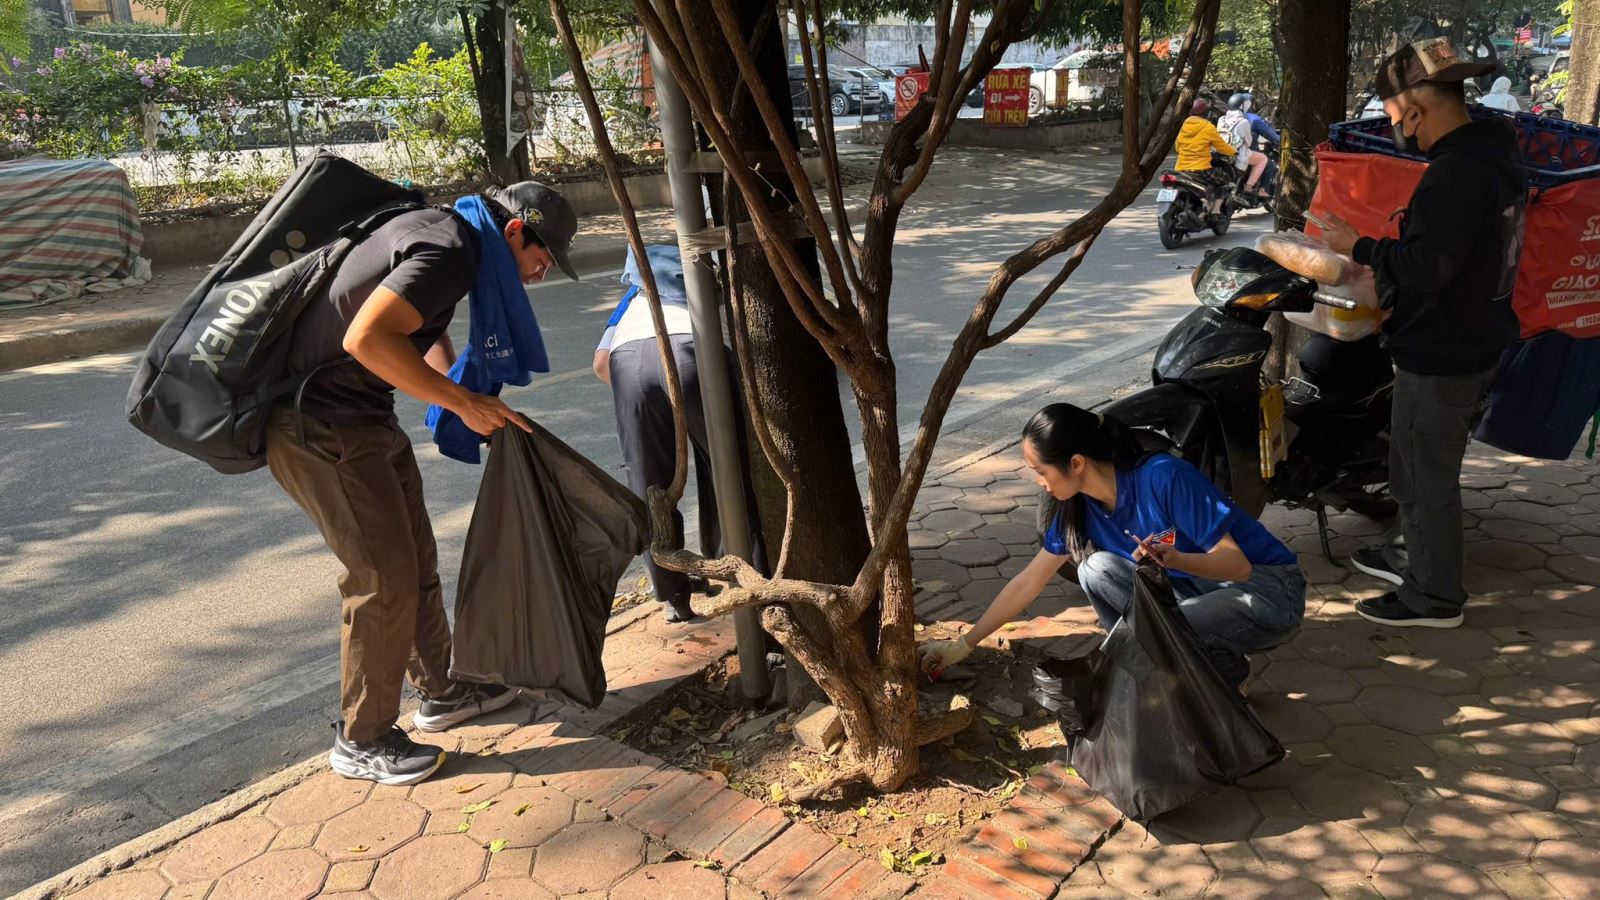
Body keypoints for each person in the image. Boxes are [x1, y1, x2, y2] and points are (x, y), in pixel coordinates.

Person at [272, 181, 580, 785]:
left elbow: (420, 327)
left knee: (413, 562)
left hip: (362, 415)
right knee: (382, 576)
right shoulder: (448, 247)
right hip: (319, 424)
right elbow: (365, 338)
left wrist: (454, 399)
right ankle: (361, 738)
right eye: (543, 256)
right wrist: (463, 403)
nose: (543, 272)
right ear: (514, 231)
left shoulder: (452, 239)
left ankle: (444, 691)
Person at [1317, 38, 1525, 629]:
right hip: (1473, 335)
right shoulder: (1496, 150)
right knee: (1415, 465)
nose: (1393, 127)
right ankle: (1411, 552)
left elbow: (1427, 268)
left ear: (1412, 110)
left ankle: (1433, 596)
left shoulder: (1456, 173)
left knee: (1424, 476)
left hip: (1444, 350)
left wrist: (1357, 246)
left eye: (1390, 114)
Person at [918, 404, 1306, 689]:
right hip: (1195, 590)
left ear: (1076, 463)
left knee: (1151, 633)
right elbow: (1026, 584)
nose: (1038, 482)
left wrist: (1176, 560)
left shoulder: (1165, 478)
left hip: (1268, 590)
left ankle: (1191, 681)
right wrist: (963, 644)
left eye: (1040, 471)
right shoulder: (1078, 510)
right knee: (1095, 570)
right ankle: (1216, 669)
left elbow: (1237, 566)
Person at [593, 244, 767, 623]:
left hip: (628, 363)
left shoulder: (633, 298)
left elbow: (601, 363)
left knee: (649, 484)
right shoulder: (710, 282)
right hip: (693, 352)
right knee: (729, 473)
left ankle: (674, 598)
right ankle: (751, 591)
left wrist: (651, 405)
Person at [1221, 93, 1270, 198]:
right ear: (1243, 106)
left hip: (1221, 150)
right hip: (1238, 153)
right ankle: (1249, 186)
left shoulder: (1222, 119)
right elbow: (1248, 142)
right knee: (1263, 159)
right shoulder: (1244, 121)